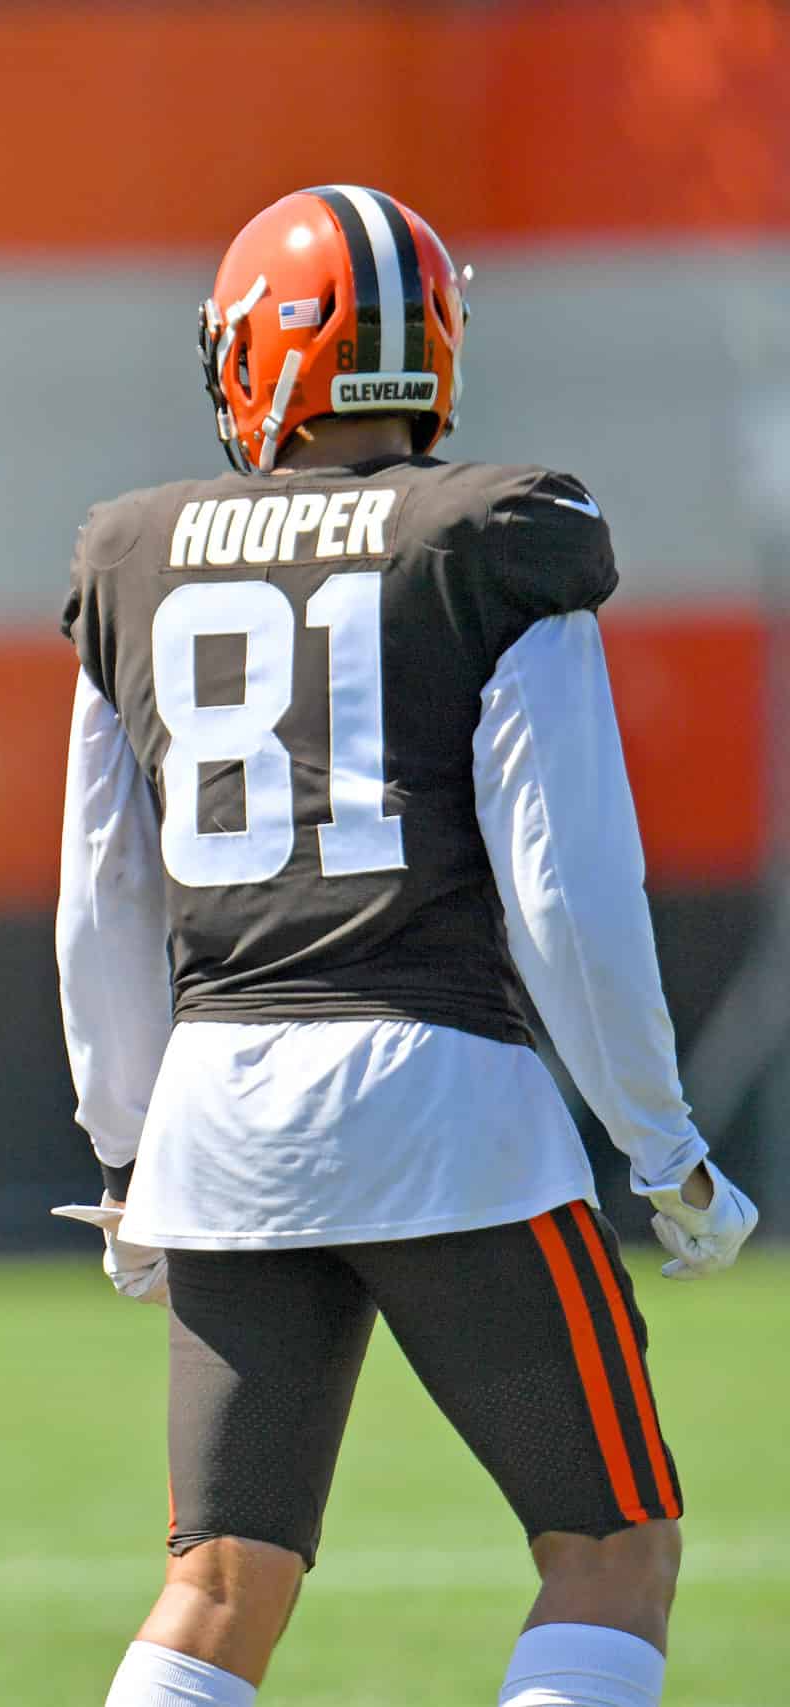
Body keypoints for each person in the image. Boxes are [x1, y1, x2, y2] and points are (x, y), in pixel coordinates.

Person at [56, 186, 761, 1707]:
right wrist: (662, 1143)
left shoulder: (134, 552)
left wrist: (126, 1158)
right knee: (611, 1544)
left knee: (221, 1578)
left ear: (256, 358)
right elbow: (570, 887)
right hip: (443, 1100)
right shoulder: (494, 538)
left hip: (221, 1112)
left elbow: (99, 898)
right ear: (426, 350)